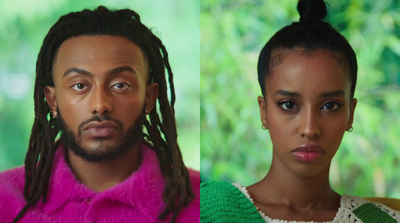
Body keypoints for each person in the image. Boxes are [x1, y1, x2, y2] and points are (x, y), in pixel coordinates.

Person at [200, 0, 400, 222]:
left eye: (330, 106)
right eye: (288, 105)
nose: (309, 128)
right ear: (263, 111)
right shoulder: (210, 210)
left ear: (350, 114)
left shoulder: (381, 220)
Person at [0, 6, 199, 223]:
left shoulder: (201, 201)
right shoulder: (6, 200)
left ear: (149, 98)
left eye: (120, 85)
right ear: (53, 100)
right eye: (79, 85)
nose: (100, 105)